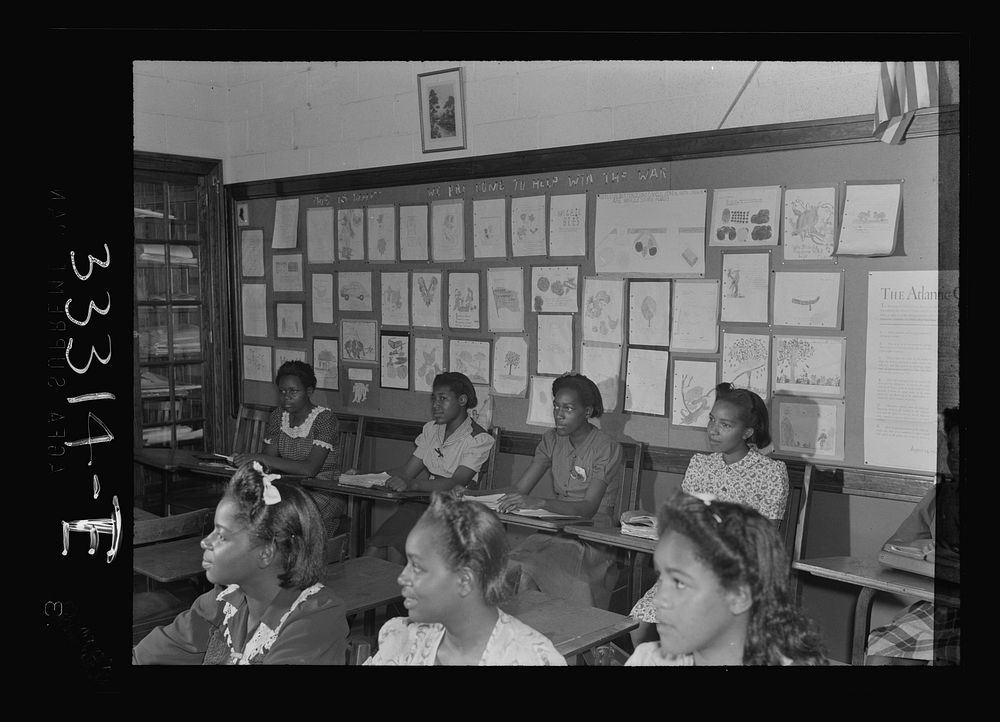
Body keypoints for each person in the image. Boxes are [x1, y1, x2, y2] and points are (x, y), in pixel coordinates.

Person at [133, 461, 349, 665]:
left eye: (222, 535)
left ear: (266, 552)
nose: (205, 542)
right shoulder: (225, 601)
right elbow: (146, 655)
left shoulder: (316, 620)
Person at [630, 382, 788, 643]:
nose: (713, 430)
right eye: (712, 420)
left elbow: (763, 540)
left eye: (725, 425)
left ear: (747, 432)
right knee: (640, 628)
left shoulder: (770, 472)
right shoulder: (700, 464)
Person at [626, 491, 827, 666]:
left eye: (679, 582)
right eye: (661, 578)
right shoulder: (647, 660)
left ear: (738, 595)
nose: (658, 599)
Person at [365, 492, 565, 665]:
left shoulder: (530, 658)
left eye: (417, 567)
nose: (402, 577)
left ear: (464, 580)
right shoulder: (402, 639)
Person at [498, 373, 623, 608]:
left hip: (592, 535)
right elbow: (518, 489)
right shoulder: (550, 440)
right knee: (509, 565)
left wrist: (539, 503)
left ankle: (540, 637)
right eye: (556, 406)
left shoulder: (606, 447)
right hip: (554, 529)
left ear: (587, 412)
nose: (559, 414)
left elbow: (587, 509)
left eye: (568, 408)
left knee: (529, 571)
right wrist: (469, 496)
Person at [363, 372, 494, 564]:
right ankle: (358, 592)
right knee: (379, 544)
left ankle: (399, 592)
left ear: (462, 400)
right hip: (424, 501)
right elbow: (407, 471)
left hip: (456, 507)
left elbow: (456, 482)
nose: (436, 405)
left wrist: (412, 485)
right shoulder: (431, 430)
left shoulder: (478, 439)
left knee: (397, 545)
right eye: (433, 399)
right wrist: (364, 477)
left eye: (443, 399)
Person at [865, 406, 960, 665]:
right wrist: (927, 549)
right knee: (881, 653)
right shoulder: (940, 495)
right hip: (943, 608)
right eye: (952, 450)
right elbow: (894, 549)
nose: (956, 460)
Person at [233, 360, 345, 538]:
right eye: (282, 391)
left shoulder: (324, 419)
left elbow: (310, 469)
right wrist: (249, 461)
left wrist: (261, 458)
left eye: (293, 391)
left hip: (322, 491)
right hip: (289, 488)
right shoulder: (279, 416)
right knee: (247, 508)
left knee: (280, 517)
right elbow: (268, 462)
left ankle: (291, 560)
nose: (286, 396)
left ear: (309, 391)